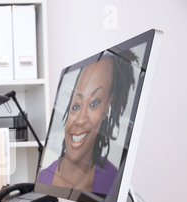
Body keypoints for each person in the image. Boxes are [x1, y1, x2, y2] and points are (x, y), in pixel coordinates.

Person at [39, 50, 138, 194]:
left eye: (94, 103)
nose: (80, 120)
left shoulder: (112, 181)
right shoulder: (45, 179)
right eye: (76, 106)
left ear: (107, 107)